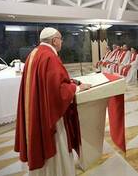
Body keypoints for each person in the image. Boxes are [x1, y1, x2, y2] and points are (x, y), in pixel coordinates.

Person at [14, 27, 91, 175]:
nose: (61, 42)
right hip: (50, 113)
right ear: (55, 40)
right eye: (60, 39)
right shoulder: (50, 57)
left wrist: (70, 82)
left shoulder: (34, 54)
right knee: (56, 144)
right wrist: (76, 88)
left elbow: (49, 83)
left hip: (38, 109)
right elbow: (58, 91)